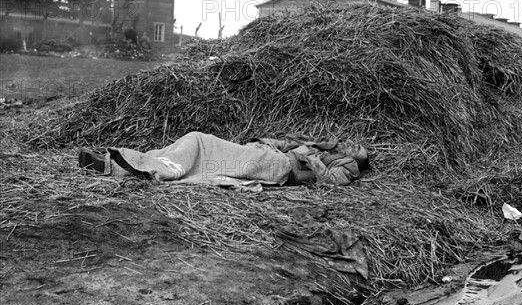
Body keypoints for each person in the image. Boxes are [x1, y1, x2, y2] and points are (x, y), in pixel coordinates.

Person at [78, 132, 369, 189]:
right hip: (268, 156)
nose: (356, 146)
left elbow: (329, 181)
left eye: (360, 149)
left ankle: (145, 167)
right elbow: (286, 142)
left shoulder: (347, 166)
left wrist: (312, 159)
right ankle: (119, 163)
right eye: (355, 143)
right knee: (190, 149)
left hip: (280, 168)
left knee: (199, 143)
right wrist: (265, 142)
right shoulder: (321, 145)